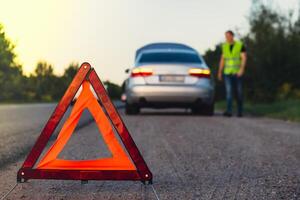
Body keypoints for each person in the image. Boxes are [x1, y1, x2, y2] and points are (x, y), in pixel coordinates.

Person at [218, 30, 247, 117]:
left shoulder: (240, 45)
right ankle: (229, 111)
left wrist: (242, 69)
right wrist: (219, 71)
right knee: (229, 92)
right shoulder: (224, 46)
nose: (226, 38)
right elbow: (222, 59)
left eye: (228, 36)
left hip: (237, 72)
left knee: (239, 92)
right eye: (225, 36)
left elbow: (244, 57)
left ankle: (240, 111)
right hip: (227, 72)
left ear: (232, 36)